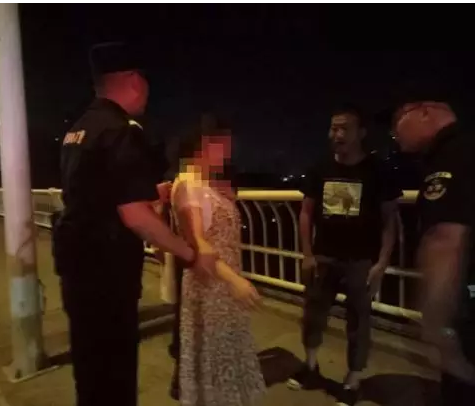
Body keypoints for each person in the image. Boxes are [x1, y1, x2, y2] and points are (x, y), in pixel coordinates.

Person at [51, 42, 217, 406]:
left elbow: (96, 192)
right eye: (145, 81)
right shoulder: (123, 131)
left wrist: (150, 192)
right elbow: (135, 215)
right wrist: (191, 254)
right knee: (114, 374)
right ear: (133, 80)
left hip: (77, 268)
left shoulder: (79, 128)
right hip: (107, 273)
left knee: (90, 369)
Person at [286, 105, 402, 406]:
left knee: (358, 322)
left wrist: (382, 263)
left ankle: (352, 380)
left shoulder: (378, 171)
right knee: (313, 315)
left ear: (361, 133)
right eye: (333, 128)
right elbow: (306, 213)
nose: (336, 134)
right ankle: (310, 366)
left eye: (344, 128)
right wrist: (307, 253)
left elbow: (390, 221)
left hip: (361, 260)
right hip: (323, 256)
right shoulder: (320, 168)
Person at [388, 90, 475, 404]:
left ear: (424, 111)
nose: (394, 135)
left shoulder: (452, 155)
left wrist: (436, 323)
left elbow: (445, 237)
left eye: (397, 122)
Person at [171, 118, 265, 406]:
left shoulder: (204, 184)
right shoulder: (188, 186)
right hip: (210, 286)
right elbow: (199, 244)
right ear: (204, 145)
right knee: (214, 358)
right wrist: (235, 280)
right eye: (223, 146)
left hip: (222, 286)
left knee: (223, 357)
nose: (227, 154)